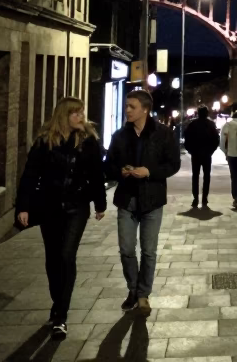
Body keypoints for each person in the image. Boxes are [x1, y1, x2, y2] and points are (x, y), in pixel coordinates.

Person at [15, 97, 106, 339]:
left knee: (67, 255)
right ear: (64, 116)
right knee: (53, 258)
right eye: (76, 113)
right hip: (50, 206)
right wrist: (23, 206)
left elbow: (97, 174)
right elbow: (30, 175)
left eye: (82, 112)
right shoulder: (45, 141)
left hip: (77, 206)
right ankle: (58, 303)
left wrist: (100, 203)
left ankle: (61, 316)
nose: (81, 117)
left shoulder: (88, 141)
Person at [104, 89, 180, 315]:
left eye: (132, 106)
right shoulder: (120, 136)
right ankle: (133, 289)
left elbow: (173, 164)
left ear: (145, 109)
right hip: (126, 199)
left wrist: (149, 171)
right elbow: (108, 165)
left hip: (152, 200)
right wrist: (120, 171)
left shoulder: (163, 134)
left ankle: (143, 294)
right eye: (126, 106)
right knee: (127, 249)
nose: (127, 110)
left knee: (148, 251)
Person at [183, 105, 220, 209]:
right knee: (206, 177)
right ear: (207, 113)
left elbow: (187, 139)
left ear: (198, 113)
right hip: (207, 154)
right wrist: (211, 151)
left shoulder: (192, 124)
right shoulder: (211, 124)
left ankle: (195, 198)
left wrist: (190, 151)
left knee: (195, 176)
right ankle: (204, 198)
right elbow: (216, 140)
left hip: (195, 154)